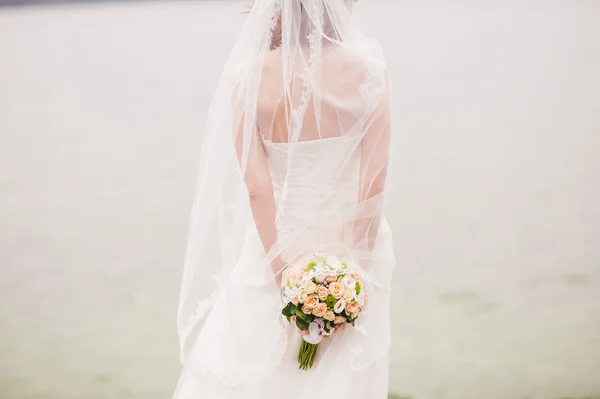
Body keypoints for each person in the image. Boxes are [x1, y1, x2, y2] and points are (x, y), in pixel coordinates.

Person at [173, 0, 395, 397]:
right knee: (342, 375)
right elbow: (373, 184)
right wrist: (354, 274)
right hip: (351, 244)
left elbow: (257, 186)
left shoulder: (248, 79)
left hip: (275, 246)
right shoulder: (370, 72)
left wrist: (288, 279)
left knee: (254, 364)